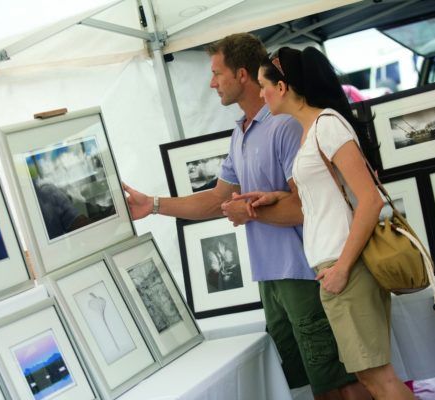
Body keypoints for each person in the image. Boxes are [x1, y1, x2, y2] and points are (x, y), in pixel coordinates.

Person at [123, 33, 370, 399]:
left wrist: (250, 214)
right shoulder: (240, 132)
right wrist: (154, 205)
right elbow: (217, 199)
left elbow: (306, 206)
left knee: (339, 384)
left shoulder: (285, 125)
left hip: (305, 273)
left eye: (216, 73)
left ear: (241, 74)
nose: (211, 83)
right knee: (306, 387)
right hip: (270, 279)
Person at [234, 46, 415, 399]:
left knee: (378, 379)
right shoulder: (312, 129)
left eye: (264, 86)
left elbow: (370, 200)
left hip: (345, 263)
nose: (261, 95)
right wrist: (275, 197)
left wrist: (343, 268)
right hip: (334, 264)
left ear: (282, 87)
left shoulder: (326, 125)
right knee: (370, 377)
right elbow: (324, 198)